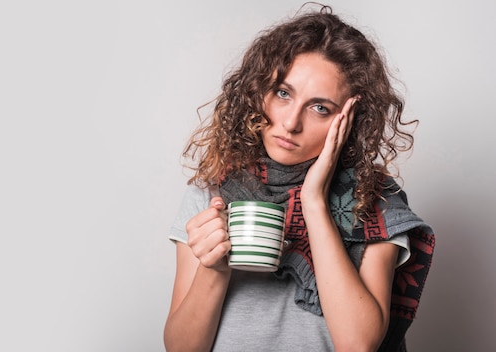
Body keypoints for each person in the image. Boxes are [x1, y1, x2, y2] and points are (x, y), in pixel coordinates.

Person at [163, 4, 435, 352]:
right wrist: (214, 268)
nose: (291, 123)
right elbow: (181, 348)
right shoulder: (213, 191)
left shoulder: (374, 200)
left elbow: (358, 344)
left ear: (351, 119)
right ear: (258, 90)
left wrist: (314, 201)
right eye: (283, 93)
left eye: (320, 107)